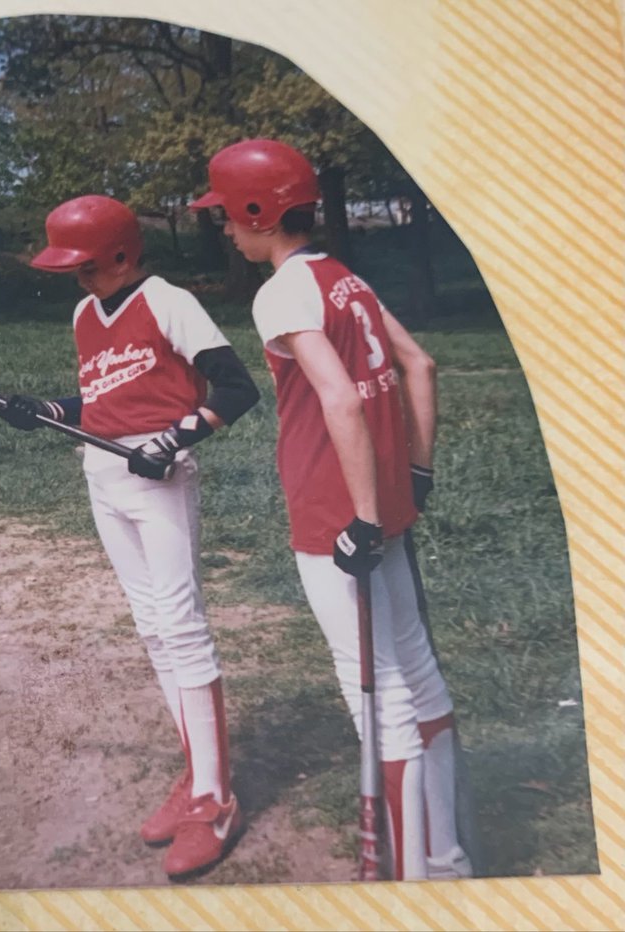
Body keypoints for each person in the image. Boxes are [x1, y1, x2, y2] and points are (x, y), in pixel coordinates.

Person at [190, 138, 471, 881]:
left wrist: (365, 518)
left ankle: (415, 889)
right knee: (418, 673)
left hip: (336, 516)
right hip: (383, 503)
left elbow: (340, 397)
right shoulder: (344, 277)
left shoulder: (281, 291)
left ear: (260, 211)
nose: (225, 228)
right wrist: (414, 472)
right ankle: (447, 858)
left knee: (376, 695)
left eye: (228, 214)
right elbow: (421, 364)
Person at [0, 195, 261, 881]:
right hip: (103, 474)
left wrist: (177, 439)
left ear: (121, 254)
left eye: (85, 265)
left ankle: (217, 799)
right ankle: (197, 772)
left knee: (181, 625)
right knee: (150, 626)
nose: (77, 280)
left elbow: (236, 388)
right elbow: (103, 397)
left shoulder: (168, 300)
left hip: (159, 473)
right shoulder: (86, 313)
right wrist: (51, 410)